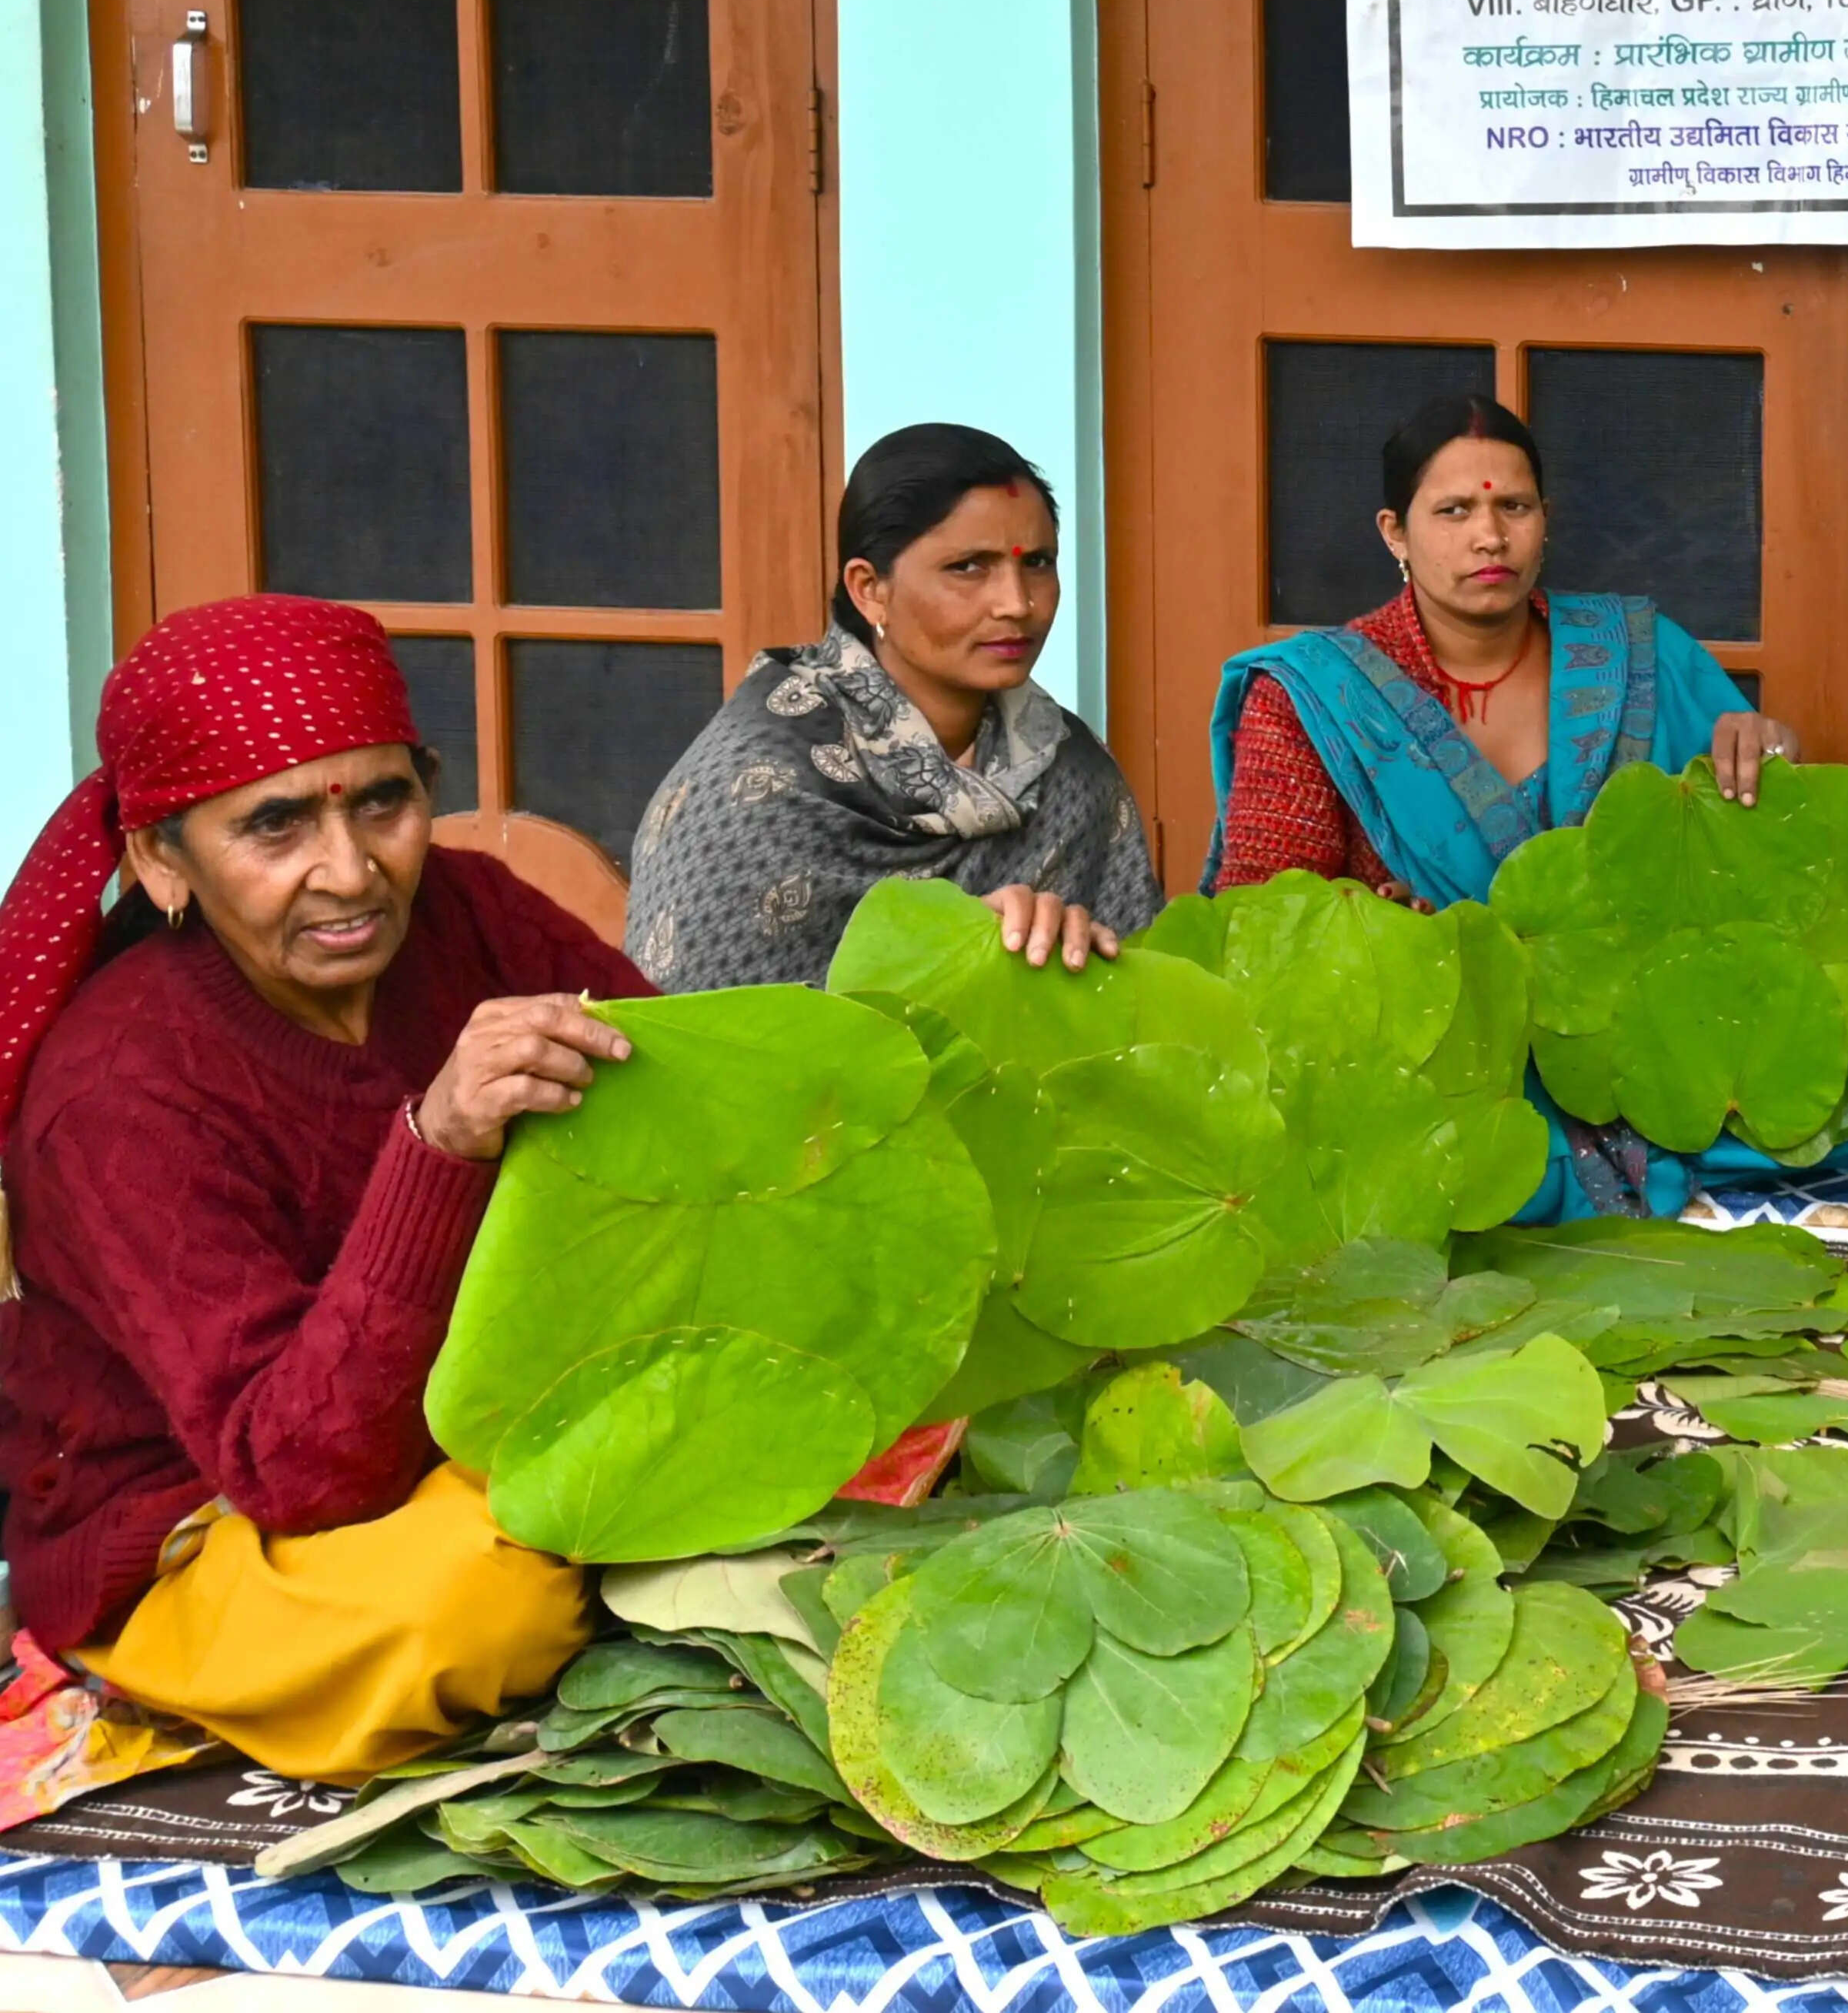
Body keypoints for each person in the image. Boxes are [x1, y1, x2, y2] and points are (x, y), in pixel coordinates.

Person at [0, 596, 642, 1780]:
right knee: (490, 1595)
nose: (348, 873)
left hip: (478, 1430)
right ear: (160, 858)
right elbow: (298, 1472)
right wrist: (438, 1142)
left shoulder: (470, 909)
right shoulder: (116, 1093)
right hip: (219, 1528)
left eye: (384, 803)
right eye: (274, 825)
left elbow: (679, 1111)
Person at [1205, 393, 1806, 1216]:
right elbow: (1265, 924)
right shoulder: (1316, 694)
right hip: (1428, 1056)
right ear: (1394, 532)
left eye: (1512, 506)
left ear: (1544, 519)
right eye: (1453, 510)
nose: (1490, 536)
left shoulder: (1638, 654)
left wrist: (1763, 762)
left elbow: (1744, 883)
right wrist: (1380, 929)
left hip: (1629, 1049)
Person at [625, 424, 1159, 991]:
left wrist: (1070, 953)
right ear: (869, 588)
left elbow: (1137, 1017)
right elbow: (704, 1038)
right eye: (969, 567)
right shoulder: (755, 785)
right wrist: (947, 950)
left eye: (1038, 563)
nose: (1017, 603)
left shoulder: (1069, 770)